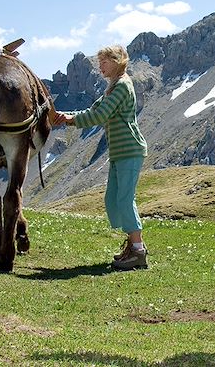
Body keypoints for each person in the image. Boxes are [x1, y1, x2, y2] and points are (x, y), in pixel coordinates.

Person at [54, 45, 149, 270]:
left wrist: (68, 120)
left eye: (104, 61)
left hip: (129, 149)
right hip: (119, 151)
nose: (100, 66)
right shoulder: (112, 87)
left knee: (124, 200)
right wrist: (65, 116)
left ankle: (138, 252)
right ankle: (133, 246)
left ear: (116, 61)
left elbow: (99, 115)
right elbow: (92, 109)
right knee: (114, 200)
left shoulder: (122, 86)